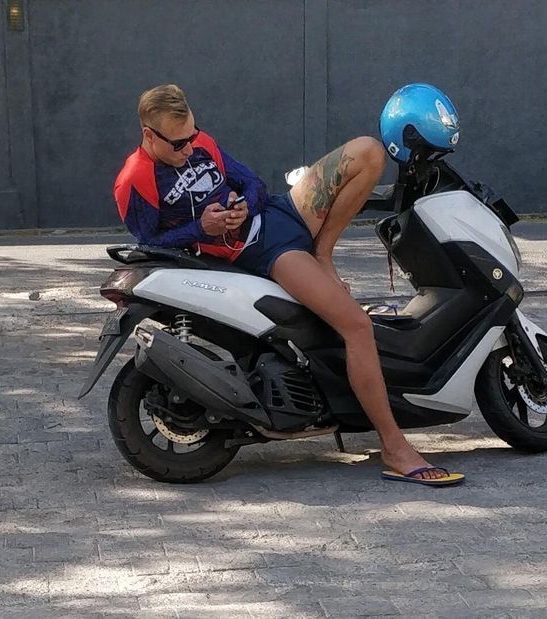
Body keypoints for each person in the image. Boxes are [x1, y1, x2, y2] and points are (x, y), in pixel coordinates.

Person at [114, 83, 462, 485]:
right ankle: (394, 446)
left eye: (193, 136)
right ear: (149, 135)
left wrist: (243, 204)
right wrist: (202, 228)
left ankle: (323, 253)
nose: (190, 148)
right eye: (179, 144)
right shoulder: (135, 180)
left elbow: (254, 184)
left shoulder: (202, 144)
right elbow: (149, 242)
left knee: (368, 151)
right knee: (356, 326)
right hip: (265, 251)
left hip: (284, 210)